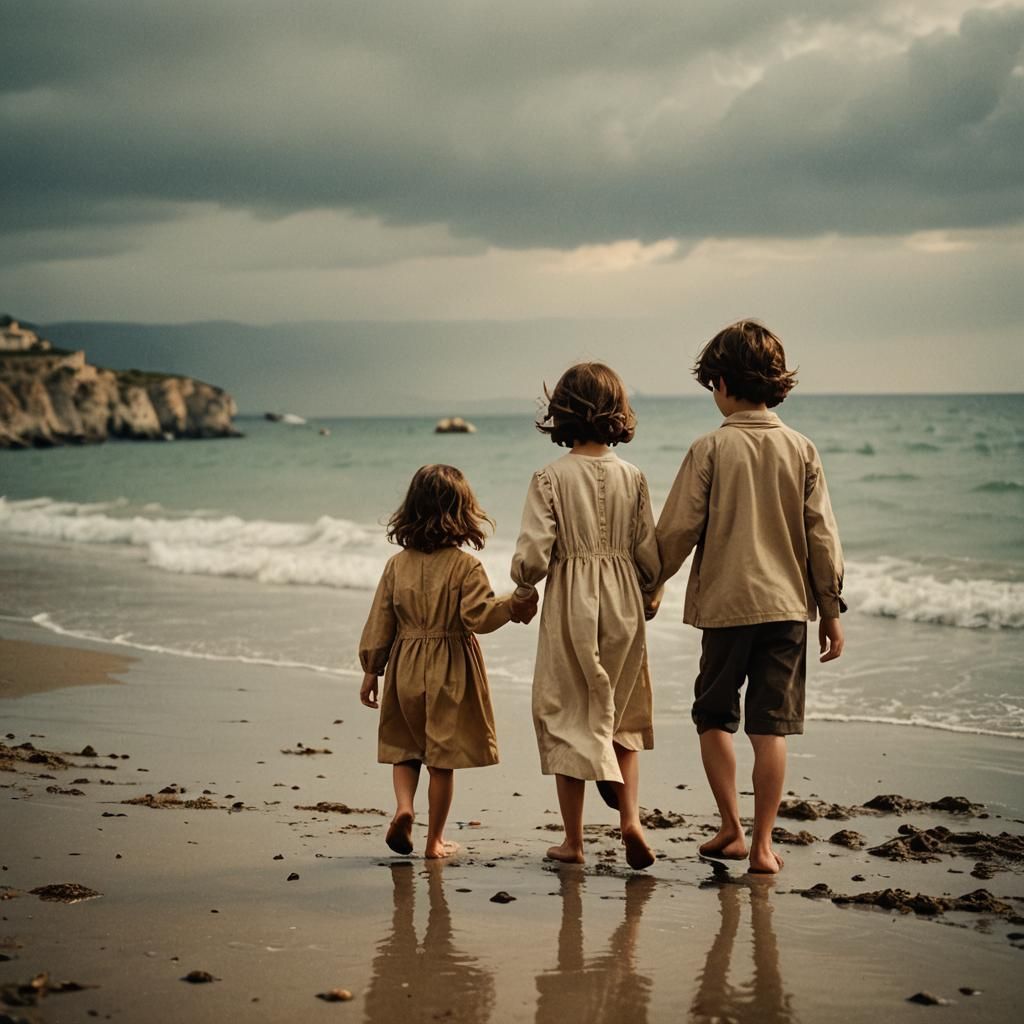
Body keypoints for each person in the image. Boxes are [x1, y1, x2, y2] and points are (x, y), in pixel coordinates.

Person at [654, 320, 846, 874]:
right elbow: (822, 538)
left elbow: (676, 532)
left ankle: (730, 829)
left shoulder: (710, 447)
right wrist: (830, 610)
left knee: (713, 715)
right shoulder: (802, 449)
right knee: (771, 727)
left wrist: (651, 583)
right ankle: (763, 846)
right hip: (788, 610)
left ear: (720, 383)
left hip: (727, 607)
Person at [512, 362, 660, 870]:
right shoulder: (634, 477)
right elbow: (648, 549)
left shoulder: (549, 478)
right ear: (618, 413)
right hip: (622, 598)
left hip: (572, 598)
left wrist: (523, 585)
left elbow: (535, 550)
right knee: (623, 714)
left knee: (566, 713)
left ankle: (573, 841)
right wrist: (652, 589)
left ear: (561, 414)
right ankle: (631, 821)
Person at [359, 464, 535, 860]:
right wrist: (512, 606)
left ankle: (404, 807)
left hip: (405, 664)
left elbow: (380, 621)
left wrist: (372, 669)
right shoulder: (465, 565)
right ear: (462, 511)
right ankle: (434, 840)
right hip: (450, 668)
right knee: (442, 757)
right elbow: (479, 617)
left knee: (404, 746)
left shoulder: (396, 565)